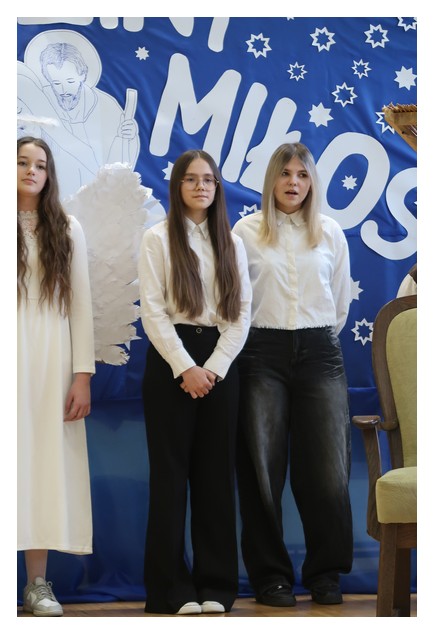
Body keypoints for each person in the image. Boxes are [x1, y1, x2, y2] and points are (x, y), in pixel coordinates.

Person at [232, 142, 353, 608]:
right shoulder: (245, 232)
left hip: (320, 351)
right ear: (271, 180)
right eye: (285, 174)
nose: (293, 183)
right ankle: (271, 577)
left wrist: (314, 338)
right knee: (262, 469)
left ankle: (326, 574)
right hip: (261, 352)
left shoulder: (330, 232)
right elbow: (235, 299)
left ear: (312, 183)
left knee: (328, 470)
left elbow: (339, 302)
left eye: (302, 175)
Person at [138, 149, 251, 615]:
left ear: (217, 187)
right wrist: (186, 367)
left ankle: (216, 585)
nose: (201, 186)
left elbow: (242, 314)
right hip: (172, 362)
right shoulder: (157, 239)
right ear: (178, 186)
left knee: (215, 478)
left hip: (220, 361)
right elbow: (153, 311)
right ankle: (170, 588)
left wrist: (215, 368)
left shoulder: (232, 242)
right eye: (191, 179)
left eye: (208, 179)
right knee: (170, 478)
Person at [17, 136, 95, 616]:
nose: (31, 171)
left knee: (42, 463)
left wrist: (81, 375)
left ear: (49, 175)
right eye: (21, 162)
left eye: (40, 165)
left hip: (49, 357)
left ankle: (37, 584)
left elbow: (81, 304)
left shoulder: (67, 228)